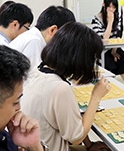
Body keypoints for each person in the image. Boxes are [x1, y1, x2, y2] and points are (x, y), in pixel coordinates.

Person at [21, 22, 111, 151]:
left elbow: (68, 122)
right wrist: (96, 97)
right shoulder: (59, 88)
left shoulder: (37, 70)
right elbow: (76, 137)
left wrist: (89, 145)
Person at [0, 45, 46, 151]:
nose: (19, 108)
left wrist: (34, 146)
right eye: (15, 102)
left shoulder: (6, 135)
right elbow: (76, 136)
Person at [9, 5, 76, 70]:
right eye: (65, 36)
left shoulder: (32, 37)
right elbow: (33, 78)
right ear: (53, 30)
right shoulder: (34, 41)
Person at [91, 0, 124, 89]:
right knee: (109, 61)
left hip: (113, 48)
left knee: (120, 57)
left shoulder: (118, 18)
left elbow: (117, 36)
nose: (111, 10)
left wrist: (114, 50)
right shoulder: (96, 19)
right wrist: (110, 22)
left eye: (113, 7)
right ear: (103, 5)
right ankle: (105, 86)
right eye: (109, 7)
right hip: (100, 49)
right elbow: (104, 40)